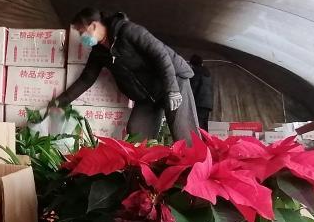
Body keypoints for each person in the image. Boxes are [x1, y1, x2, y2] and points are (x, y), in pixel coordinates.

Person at [52, 8, 200, 144]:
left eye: (81, 31)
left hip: (172, 80)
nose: (81, 37)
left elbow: (160, 55)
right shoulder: (98, 53)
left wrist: (172, 89)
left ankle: (198, 163)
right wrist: (59, 102)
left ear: (93, 26)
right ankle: (148, 165)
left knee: (183, 132)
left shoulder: (128, 31)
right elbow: (86, 79)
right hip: (146, 96)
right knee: (137, 134)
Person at [189, 54, 214, 131]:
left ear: (192, 64)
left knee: (198, 126)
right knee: (204, 126)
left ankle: (199, 139)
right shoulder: (207, 72)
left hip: (199, 103)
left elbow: (193, 87)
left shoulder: (196, 72)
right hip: (207, 104)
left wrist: (189, 101)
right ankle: (205, 139)